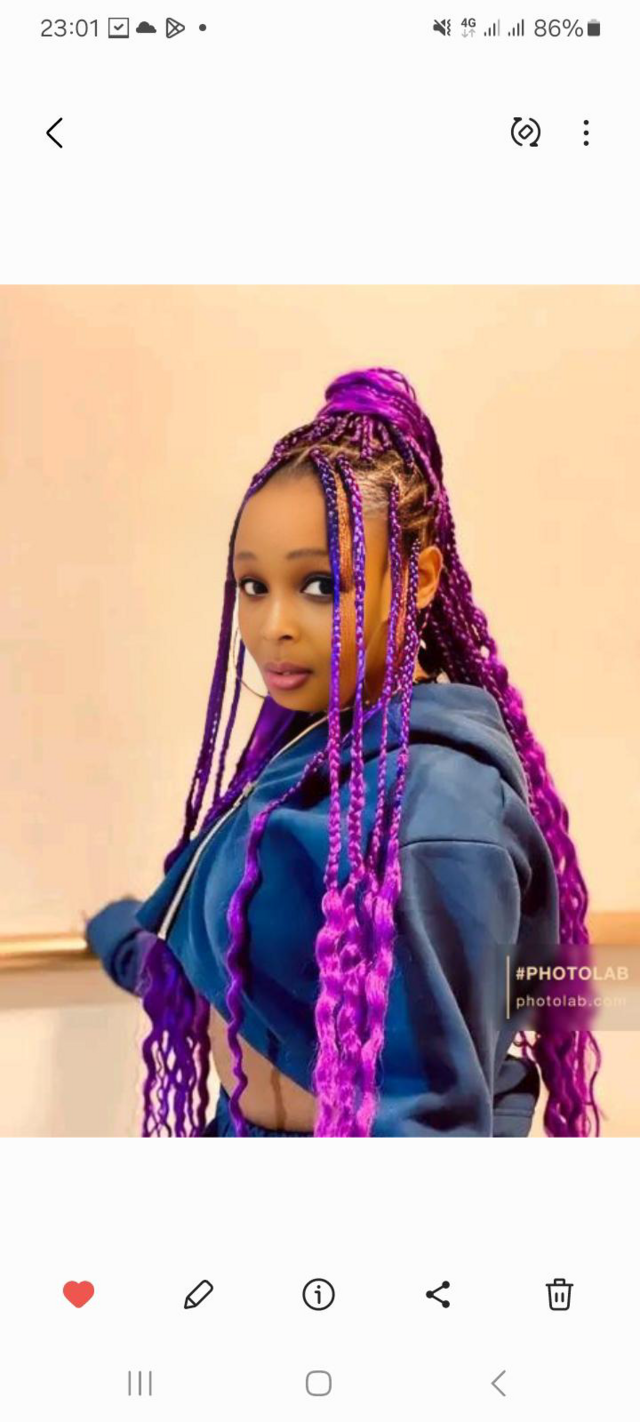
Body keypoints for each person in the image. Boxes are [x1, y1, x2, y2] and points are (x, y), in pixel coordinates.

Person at [85, 366, 601, 1138]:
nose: (274, 627)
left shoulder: (439, 811)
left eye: (321, 585)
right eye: (253, 586)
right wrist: (125, 937)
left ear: (419, 578)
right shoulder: (303, 755)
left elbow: (430, 1132)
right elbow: (256, 969)